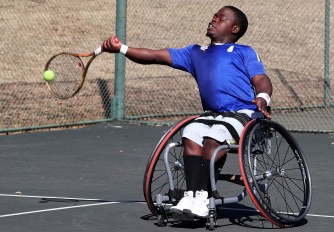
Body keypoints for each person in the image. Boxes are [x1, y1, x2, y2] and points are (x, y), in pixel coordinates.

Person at [103, 5, 272, 220]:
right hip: (211, 114)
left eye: (221, 19)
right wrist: (122, 49)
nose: (213, 20)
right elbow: (155, 56)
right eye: (213, 17)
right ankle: (193, 196)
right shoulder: (195, 53)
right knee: (191, 132)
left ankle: (202, 196)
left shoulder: (244, 52)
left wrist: (263, 97)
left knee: (214, 137)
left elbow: (261, 80)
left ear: (235, 28)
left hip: (243, 114)